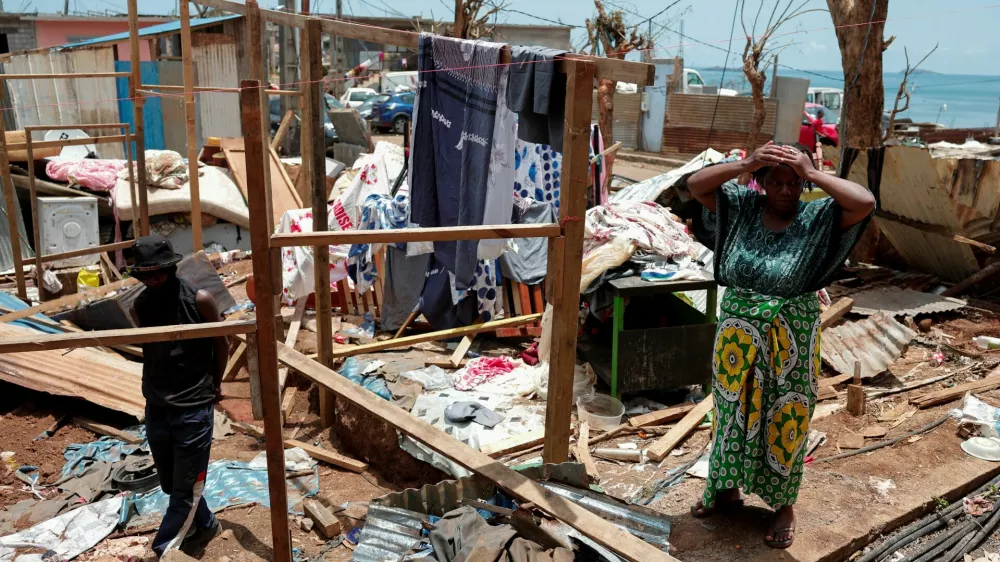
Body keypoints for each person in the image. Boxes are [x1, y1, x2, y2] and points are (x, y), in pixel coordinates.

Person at [684, 142, 874, 549]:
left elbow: (865, 201)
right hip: (737, 333)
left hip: (791, 333)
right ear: (762, 183)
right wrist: (748, 161)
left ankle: (784, 505)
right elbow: (695, 185)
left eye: (794, 183)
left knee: (785, 414)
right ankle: (725, 488)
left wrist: (813, 173)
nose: (786, 190)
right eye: (777, 182)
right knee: (731, 410)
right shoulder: (740, 207)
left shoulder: (818, 215)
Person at [128, 235, 229, 558]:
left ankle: (163, 549)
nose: (153, 279)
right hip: (157, 404)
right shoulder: (140, 305)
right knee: (172, 483)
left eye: (158, 272)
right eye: (146, 274)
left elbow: (221, 344)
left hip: (193, 405)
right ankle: (208, 523)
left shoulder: (199, 300)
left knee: (184, 489)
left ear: (171, 268)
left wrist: (216, 382)